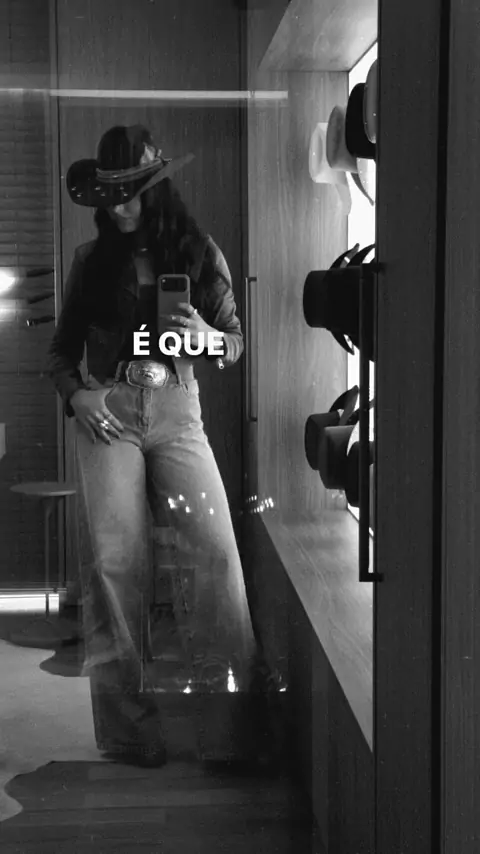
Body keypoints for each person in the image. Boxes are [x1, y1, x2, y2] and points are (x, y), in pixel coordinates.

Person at [48, 125, 271, 768]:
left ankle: (232, 733)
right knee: (117, 568)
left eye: (132, 191)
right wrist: (77, 396)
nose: (120, 206)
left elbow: (233, 342)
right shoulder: (91, 261)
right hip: (109, 413)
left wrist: (205, 332)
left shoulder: (197, 250)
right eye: (110, 195)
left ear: (156, 186)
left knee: (216, 560)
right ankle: (129, 732)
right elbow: (61, 354)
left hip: (177, 411)